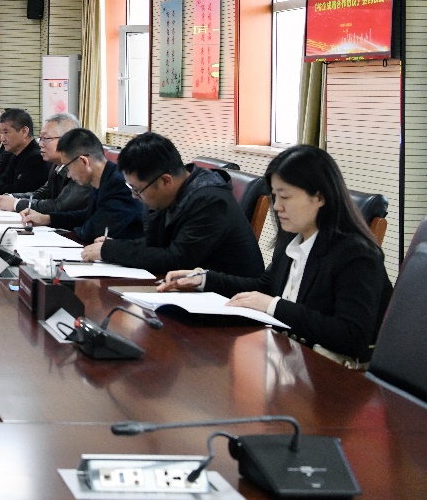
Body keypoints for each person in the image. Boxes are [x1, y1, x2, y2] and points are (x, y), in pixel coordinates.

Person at [159, 145, 393, 364]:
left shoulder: (356, 255)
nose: (277, 206)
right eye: (274, 196)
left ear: (320, 197)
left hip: (334, 375)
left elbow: (351, 336)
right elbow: (265, 287)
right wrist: (204, 279)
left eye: (285, 196)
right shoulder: (293, 238)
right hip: (291, 360)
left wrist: (274, 306)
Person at [88, 132, 263, 278]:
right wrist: (117, 245)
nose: (134, 196)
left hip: (229, 299)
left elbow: (176, 259)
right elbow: (155, 243)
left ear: (166, 181)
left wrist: (111, 251)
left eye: (137, 190)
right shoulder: (175, 192)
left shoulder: (210, 201)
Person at [22, 128, 144, 242]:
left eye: (68, 167)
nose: (68, 175)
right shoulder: (104, 177)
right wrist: (47, 219)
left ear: (83, 161)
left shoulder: (119, 185)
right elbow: (88, 215)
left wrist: (64, 233)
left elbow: (93, 231)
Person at [0, 112, 90, 215]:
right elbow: (42, 194)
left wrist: (16, 204)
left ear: (68, 140)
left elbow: (59, 206)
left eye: (46, 138)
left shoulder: (82, 167)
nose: (40, 144)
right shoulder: (57, 165)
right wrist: (9, 197)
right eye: (40, 138)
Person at [0, 107, 47, 196]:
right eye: (1, 133)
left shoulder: (37, 158)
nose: (2, 138)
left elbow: (20, 193)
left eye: (6, 132)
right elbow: (3, 180)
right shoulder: (14, 155)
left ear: (24, 131)